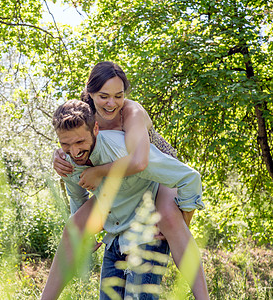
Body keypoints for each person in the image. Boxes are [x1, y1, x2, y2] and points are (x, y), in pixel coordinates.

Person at [42, 62, 209, 299]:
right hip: (119, 181)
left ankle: (203, 295)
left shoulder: (131, 113)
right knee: (75, 227)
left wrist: (184, 221)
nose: (111, 103)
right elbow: (71, 136)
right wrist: (60, 154)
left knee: (169, 219)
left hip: (157, 173)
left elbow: (140, 162)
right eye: (103, 96)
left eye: (118, 96)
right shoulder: (85, 115)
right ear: (89, 93)